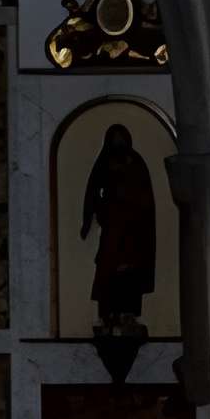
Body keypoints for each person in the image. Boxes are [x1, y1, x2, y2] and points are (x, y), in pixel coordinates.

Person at [79, 121, 158, 329]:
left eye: (121, 139)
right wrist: (93, 216)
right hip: (113, 226)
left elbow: (145, 197)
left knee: (130, 271)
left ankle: (129, 314)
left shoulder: (136, 162)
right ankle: (108, 314)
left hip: (134, 229)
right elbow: (93, 191)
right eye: (115, 139)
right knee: (108, 269)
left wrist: (133, 205)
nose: (118, 143)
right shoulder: (104, 162)